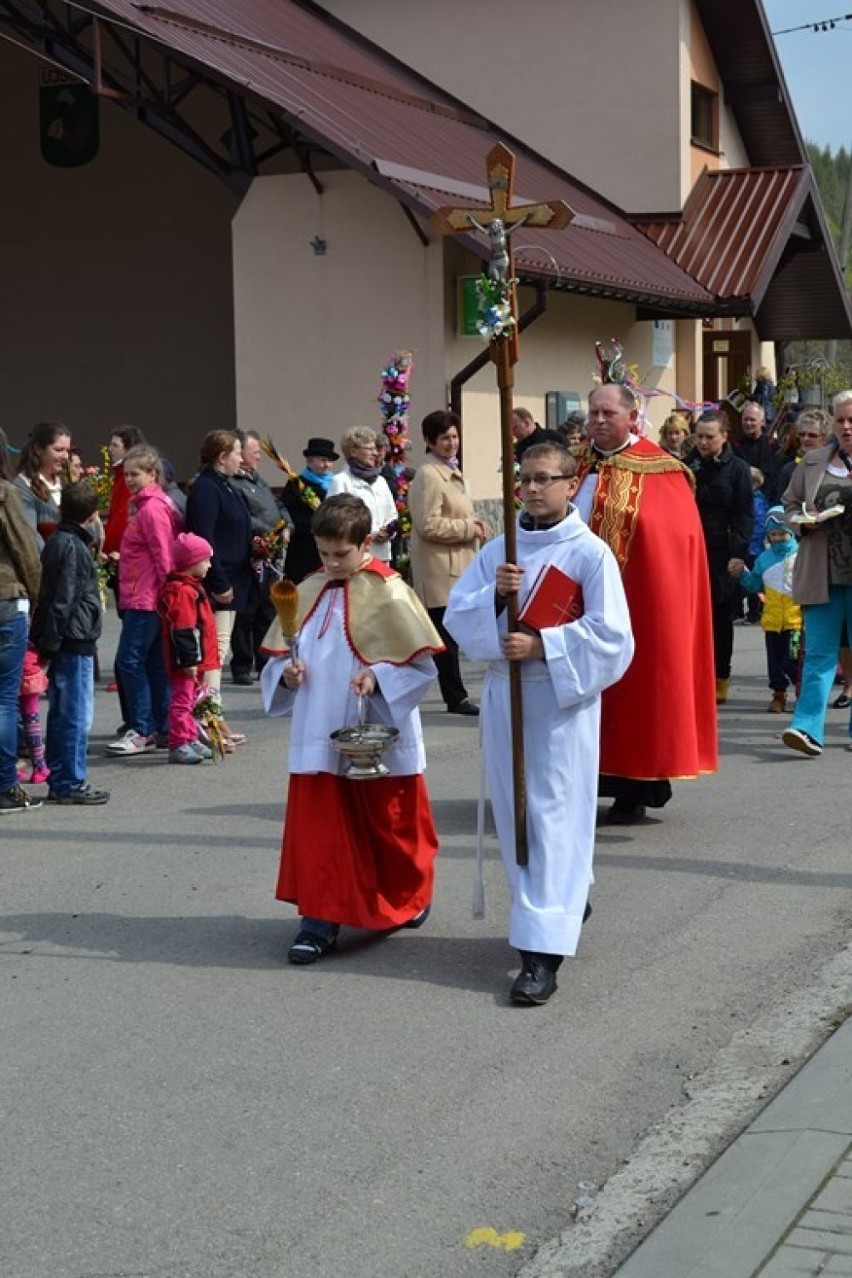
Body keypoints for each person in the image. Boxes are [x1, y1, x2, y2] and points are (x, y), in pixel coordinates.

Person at [444, 443, 633, 1004]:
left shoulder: (589, 554)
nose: (531, 489)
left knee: (549, 819)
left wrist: (544, 645)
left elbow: (614, 640)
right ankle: (562, 901)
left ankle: (541, 954)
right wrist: (494, 599)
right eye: (524, 479)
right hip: (507, 700)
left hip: (559, 707)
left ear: (572, 485)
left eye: (545, 479)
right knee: (517, 816)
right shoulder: (502, 549)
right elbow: (458, 614)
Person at [260, 494, 443, 965]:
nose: (331, 563)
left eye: (340, 554)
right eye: (323, 553)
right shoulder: (305, 590)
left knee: (391, 827)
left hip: (375, 732)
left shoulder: (391, 591)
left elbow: (421, 669)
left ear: (365, 544)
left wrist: (379, 676)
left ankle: (407, 894)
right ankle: (318, 921)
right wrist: (286, 675)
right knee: (321, 831)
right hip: (319, 730)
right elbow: (283, 656)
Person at [573, 382, 717, 822]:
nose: (598, 420)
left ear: (632, 417)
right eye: (593, 412)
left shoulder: (661, 470)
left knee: (636, 692)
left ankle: (634, 790)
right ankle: (577, 783)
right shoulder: (575, 463)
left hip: (639, 601)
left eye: (608, 413)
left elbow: (674, 540)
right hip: (576, 600)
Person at [781, 389, 852, 756]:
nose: (846, 427)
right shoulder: (812, 462)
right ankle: (806, 728)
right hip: (822, 572)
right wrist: (801, 522)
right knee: (820, 654)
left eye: (851, 420)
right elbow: (789, 505)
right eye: (840, 420)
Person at [30, 481, 109, 805]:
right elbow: (65, 598)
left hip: (64, 637)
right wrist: (51, 641)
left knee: (63, 712)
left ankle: (60, 776)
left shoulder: (57, 541)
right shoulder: (74, 546)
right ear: (92, 515)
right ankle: (70, 781)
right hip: (73, 638)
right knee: (75, 714)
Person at [408, 409, 491, 715]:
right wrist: (469, 528)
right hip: (440, 569)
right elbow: (427, 524)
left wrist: (474, 523)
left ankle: (452, 695)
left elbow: (452, 514)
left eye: (455, 436)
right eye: (445, 438)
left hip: (456, 566)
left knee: (447, 637)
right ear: (430, 441)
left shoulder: (450, 471)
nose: (452, 443)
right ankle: (455, 698)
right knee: (445, 640)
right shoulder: (430, 475)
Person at [107, 445, 181, 756]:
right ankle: (161, 727)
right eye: (126, 475)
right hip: (145, 594)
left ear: (152, 474)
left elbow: (163, 556)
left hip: (145, 598)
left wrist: (168, 593)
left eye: (136, 474)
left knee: (129, 661)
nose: (130, 480)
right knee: (152, 664)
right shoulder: (150, 505)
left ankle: (142, 728)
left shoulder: (151, 509)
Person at [184, 431, 254, 740]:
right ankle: (209, 719)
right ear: (222, 457)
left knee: (217, 653)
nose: (241, 458)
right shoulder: (207, 489)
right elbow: (205, 539)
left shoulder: (225, 484)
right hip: (219, 581)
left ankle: (213, 716)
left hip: (234, 578)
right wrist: (218, 582)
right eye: (237, 452)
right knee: (214, 653)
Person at [684, 410, 754, 704]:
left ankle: (720, 676)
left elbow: (744, 514)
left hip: (722, 552)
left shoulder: (738, 469)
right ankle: (692, 674)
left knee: (720, 617)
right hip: (691, 549)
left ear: (724, 436)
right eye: (699, 436)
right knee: (691, 615)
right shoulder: (687, 465)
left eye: (709, 437)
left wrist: (739, 554)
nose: (703, 442)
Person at [0, 427, 43, 814]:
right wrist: (36, 597)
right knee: (3, 698)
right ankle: (4, 786)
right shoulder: (5, 492)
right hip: (5, 599)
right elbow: (25, 551)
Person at [728, 507, 802, 713]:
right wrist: (743, 573)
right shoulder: (764, 559)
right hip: (772, 621)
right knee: (775, 662)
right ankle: (778, 694)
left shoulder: (802, 556)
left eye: (782, 533)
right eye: (773, 534)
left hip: (796, 621)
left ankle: (802, 691)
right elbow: (755, 585)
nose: (778, 538)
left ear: (791, 532)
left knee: (792, 659)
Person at [229, 429, 288, 684]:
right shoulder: (235, 483)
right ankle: (242, 663)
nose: (259, 457)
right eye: (254, 453)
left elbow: (279, 505)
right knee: (246, 612)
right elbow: (243, 516)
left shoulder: (257, 479)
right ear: (240, 454)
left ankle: (265, 661)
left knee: (267, 609)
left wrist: (287, 525)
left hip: (272, 554)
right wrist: (269, 531)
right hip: (251, 553)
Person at [158, 532, 218, 765]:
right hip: (185, 658)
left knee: (191, 698)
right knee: (183, 700)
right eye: (206, 560)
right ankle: (179, 742)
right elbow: (183, 629)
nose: (209, 565)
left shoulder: (191, 588)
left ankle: (189, 736)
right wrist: (189, 661)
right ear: (192, 563)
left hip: (193, 656)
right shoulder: (183, 592)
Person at [327, 427, 397, 563]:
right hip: (355, 556)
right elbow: (335, 519)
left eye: (375, 449)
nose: (375, 453)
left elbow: (392, 514)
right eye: (369, 449)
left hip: (382, 555)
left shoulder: (381, 481)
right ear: (353, 452)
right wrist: (370, 533)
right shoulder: (341, 481)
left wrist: (389, 531)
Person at [280, 436, 338, 583]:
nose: (326, 465)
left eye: (329, 461)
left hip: (329, 544)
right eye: (322, 460)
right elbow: (288, 512)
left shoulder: (336, 483)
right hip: (304, 546)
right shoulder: (297, 483)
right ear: (309, 461)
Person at [14, 421, 71, 544]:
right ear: (38, 449)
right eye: (59, 449)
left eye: (67, 450)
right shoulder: (23, 486)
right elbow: (30, 539)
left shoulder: (64, 485)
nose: (66, 456)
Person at [733, 400, 781, 503]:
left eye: (752, 420)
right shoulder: (735, 447)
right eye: (745, 419)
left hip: (767, 499)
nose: (748, 423)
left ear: (762, 422)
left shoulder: (773, 446)